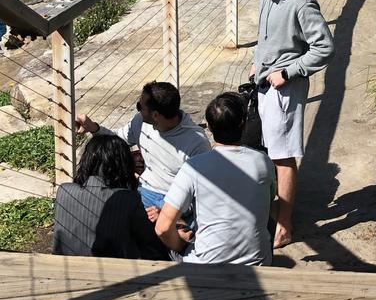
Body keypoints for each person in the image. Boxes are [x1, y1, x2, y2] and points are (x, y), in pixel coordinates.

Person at [244, 0, 334, 248]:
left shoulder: (300, 0)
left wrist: (287, 72)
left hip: (285, 89)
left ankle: (284, 225)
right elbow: (267, 36)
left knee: (283, 158)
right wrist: (259, 63)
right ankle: (277, 212)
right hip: (267, 83)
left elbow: (325, 47)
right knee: (270, 151)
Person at [155, 93, 276, 265]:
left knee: (170, 238)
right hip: (258, 263)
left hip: (205, 266)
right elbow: (269, 199)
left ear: (210, 128)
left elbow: (162, 228)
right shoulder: (262, 160)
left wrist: (181, 246)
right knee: (269, 218)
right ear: (243, 124)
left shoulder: (193, 167)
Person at [75, 81, 211, 212]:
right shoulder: (140, 122)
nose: (138, 109)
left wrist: (168, 212)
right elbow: (118, 140)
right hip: (145, 191)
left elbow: (201, 191)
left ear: (156, 115)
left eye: (140, 107)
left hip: (176, 202)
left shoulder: (197, 142)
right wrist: (93, 127)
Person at [53, 132, 168, 260]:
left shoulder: (64, 191)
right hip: (114, 271)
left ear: (87, 161)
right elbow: (150, 245)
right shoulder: (128, 199)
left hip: (65, 267)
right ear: (124, 164)